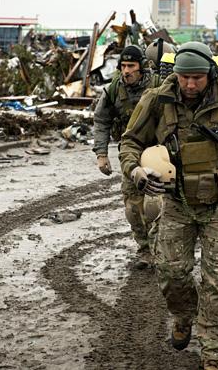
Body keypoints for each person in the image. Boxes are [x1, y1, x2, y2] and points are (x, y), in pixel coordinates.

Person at [119, 42, 218, 369]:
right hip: (176, 203)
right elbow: (130, 141)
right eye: (183, 77)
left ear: (210, 74)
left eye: (197, 78)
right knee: (171, 273)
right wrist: (135, 169)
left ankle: (214, 354)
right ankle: (183, 315)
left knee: (217, 282)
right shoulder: (157, 101)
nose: (189, 85)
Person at [92, 45, 161, 269]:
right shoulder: (114, 90)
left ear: (142, 66)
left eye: (131, 66)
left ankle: (162, 249)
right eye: (122, 66)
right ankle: (144, 250)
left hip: (159, 154)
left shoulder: (158, 85)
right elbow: (102, 121)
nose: (126, 71)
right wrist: (101, 154)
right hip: (129, 154)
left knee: (156, 205)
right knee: (133, 208)